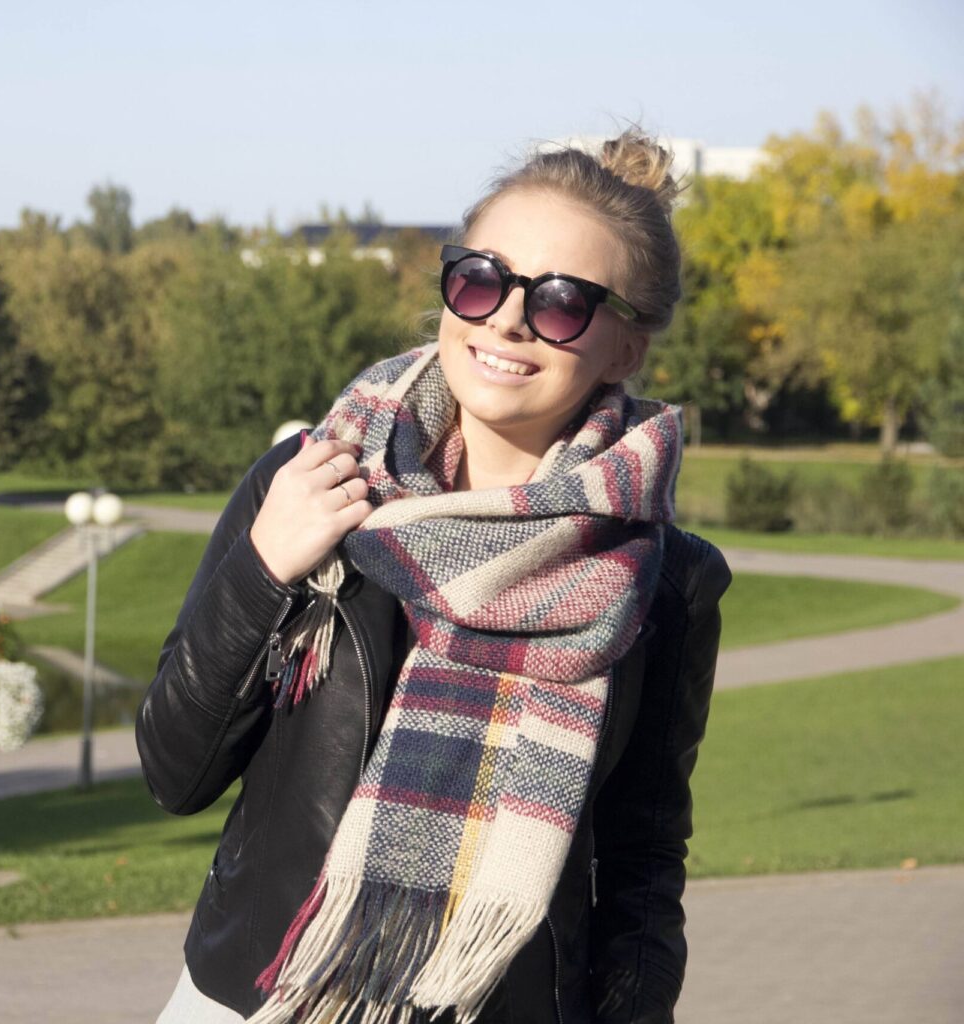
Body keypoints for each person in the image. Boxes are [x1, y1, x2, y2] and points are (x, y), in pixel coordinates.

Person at [140, 128, 732, 1024]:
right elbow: (174, 771)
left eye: (562, 302)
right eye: (483, 278)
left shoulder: (665, 581)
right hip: (259, 996)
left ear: (625, 348)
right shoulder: (311, 484)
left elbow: (642, 868)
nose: (506, 321)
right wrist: (265, 568)